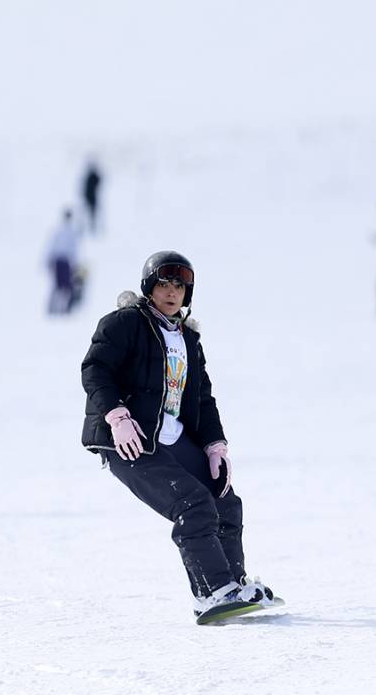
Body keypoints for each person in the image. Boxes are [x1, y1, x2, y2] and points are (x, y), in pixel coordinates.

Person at [79, 250, 277, 621]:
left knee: (224, 500)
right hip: (131, 438)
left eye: (180, 286)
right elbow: (95, 370)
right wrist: (116, 415)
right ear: (149, 288)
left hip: (173, 436)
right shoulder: (124, 323)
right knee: (192, 503)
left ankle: (233, 586)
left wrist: (215, 445)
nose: (172, 293)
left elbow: (201, 395)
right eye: (164, 284)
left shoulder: (188, 338)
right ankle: (210, 592)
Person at [45, 209, 81, 314]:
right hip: (64, 261)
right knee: (63, 286)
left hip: (60, 261)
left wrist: (49, 260)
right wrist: (75, 264)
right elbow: (74, 249)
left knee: (60, 286)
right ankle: (58, 308)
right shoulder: (68, 231)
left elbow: (51, 246)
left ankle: (57, 308)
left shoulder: (59, 230)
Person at [81, 161, 102, 234]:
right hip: (89, 198)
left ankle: (92, 228)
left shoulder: (92, 177)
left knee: (92, 215)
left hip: (92, 198)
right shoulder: (89, 177)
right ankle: (87, 227)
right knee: (87, 214)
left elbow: (99, 181)